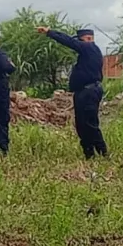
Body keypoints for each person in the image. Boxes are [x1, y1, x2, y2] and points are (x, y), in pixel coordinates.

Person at [36, 26, 108, 159]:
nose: (78, 45)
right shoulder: (87, 53)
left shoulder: (89, 47)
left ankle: (103, 153)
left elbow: (68, 41)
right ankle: (89, 153)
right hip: (83, 91)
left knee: (90, 124)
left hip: (89, 91)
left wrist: (49, 32)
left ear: (88, 39)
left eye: (80, 41)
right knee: (81, 124)